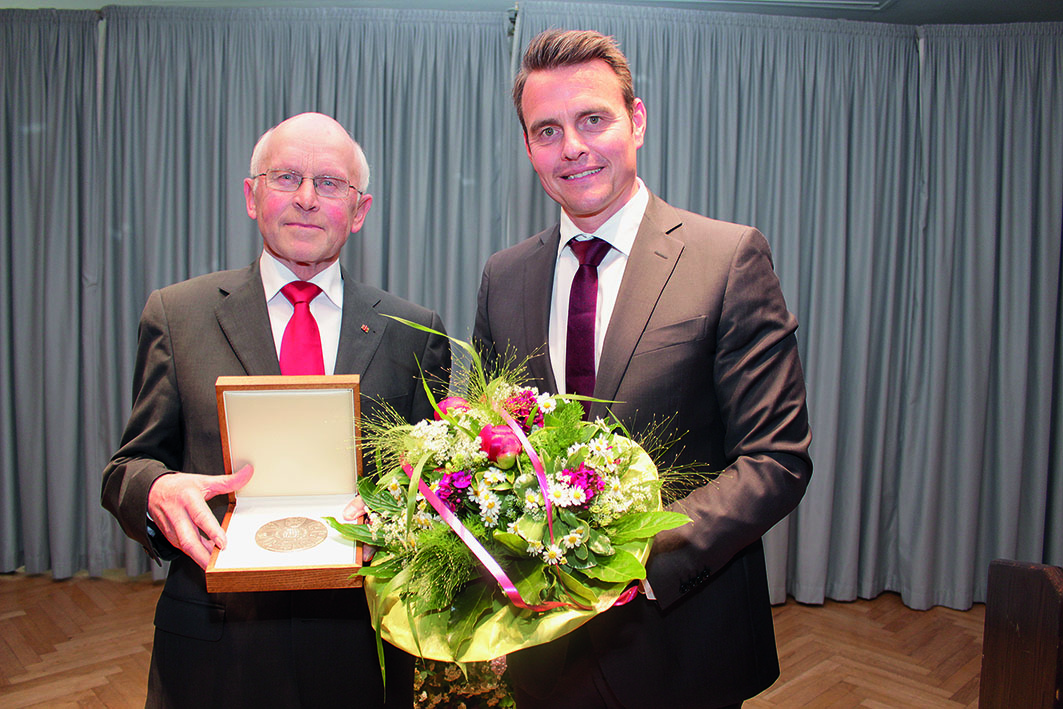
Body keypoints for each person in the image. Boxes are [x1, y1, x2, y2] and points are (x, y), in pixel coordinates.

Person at [473, 30, 812, 709]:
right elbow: (486, 441)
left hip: (684, 641)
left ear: (636, 120)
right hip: (547, 653)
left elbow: (775, 460)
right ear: (528, 147)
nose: (571, 146)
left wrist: (624, 558)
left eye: (591, 119)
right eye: (546, 130)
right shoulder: (503, 276)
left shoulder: (727, 257)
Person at [102, 112, 450, 707]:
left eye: (330, 183)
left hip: (361, 650)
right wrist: (155, 492)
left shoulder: (413, 331)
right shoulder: (177, 315)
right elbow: (128, 468)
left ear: (360, 210)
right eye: (286, 176)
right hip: (215, 645)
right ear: (252, 195)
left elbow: (441, 482)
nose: (307, 199)